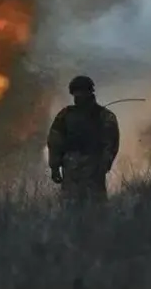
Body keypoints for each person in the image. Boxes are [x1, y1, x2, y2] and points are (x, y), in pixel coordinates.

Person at [47, 75, 120, 205]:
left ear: (89, 92)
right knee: (70, 207)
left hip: (93, 166)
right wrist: (54, 166)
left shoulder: (104, 116)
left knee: (96, 207)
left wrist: (105, 164)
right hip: (71, 166)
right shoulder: (65, 115)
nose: (79, 96)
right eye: (76, 93)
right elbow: (55, 141)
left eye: (82, 92)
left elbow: (111, 142)